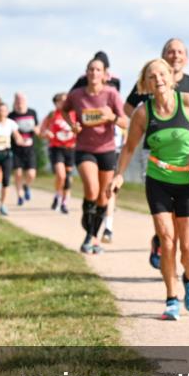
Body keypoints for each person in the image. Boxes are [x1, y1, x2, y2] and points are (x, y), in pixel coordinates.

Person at [111, 58, 189, 320]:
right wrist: (118, 176)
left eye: (161, 73)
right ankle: (171, 298)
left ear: (171, 77)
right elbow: (128, 147)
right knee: (167, 239)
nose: (157, 78)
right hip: (158, 180)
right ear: (145, 84)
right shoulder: (142, 112)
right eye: (151, 76)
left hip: (188, 181)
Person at [62, 55, 128, 253]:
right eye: (91, 69)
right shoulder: (77, 95)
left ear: (105, 74)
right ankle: (88, 227)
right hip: (84, 149)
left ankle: (92, 236)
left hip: (106, 149)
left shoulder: (111, 94)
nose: (94, 73)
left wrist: (112, 117)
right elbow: (64, 110)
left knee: (104, 195)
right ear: (86, 72)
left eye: (98, 70)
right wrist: (72, 124)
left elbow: (125, 122)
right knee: (91, 189)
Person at [40, 92, 77, 214]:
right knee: (61, 175)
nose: (63, 102)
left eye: (65, 100)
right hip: (56, 147)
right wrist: (46, 133)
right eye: (60, 100)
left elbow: (81, 128)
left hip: (70, 148)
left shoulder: (74, 114)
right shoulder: (52, 115)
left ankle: (64, 202)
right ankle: (58, 195)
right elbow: (41, 130)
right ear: (55, 103)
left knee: (68, 178)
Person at [8, 93, 39, 206]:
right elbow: (9, 130)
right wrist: (16, 137)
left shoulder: (32, 112)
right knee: (18, 173)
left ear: (25, 100)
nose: (20, 102)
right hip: (16, 149)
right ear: (15, 101)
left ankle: (26, 186)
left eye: (22, 99)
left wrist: (38, 131)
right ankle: (20, 196)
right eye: (17, 100)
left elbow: (36, 127)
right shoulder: (11, 115)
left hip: (29, 147)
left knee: (31, 174)